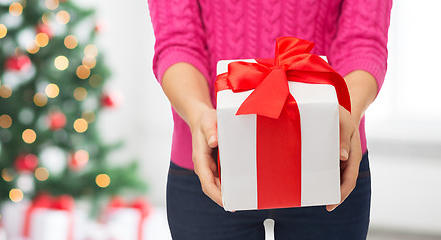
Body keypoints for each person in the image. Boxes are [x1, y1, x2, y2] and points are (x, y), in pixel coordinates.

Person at [148, 0, 392, 239]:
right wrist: (197, 112)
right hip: (211, 161)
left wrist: (348, 111)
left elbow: (364, 40)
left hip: (329, 155)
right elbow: (177, 42)